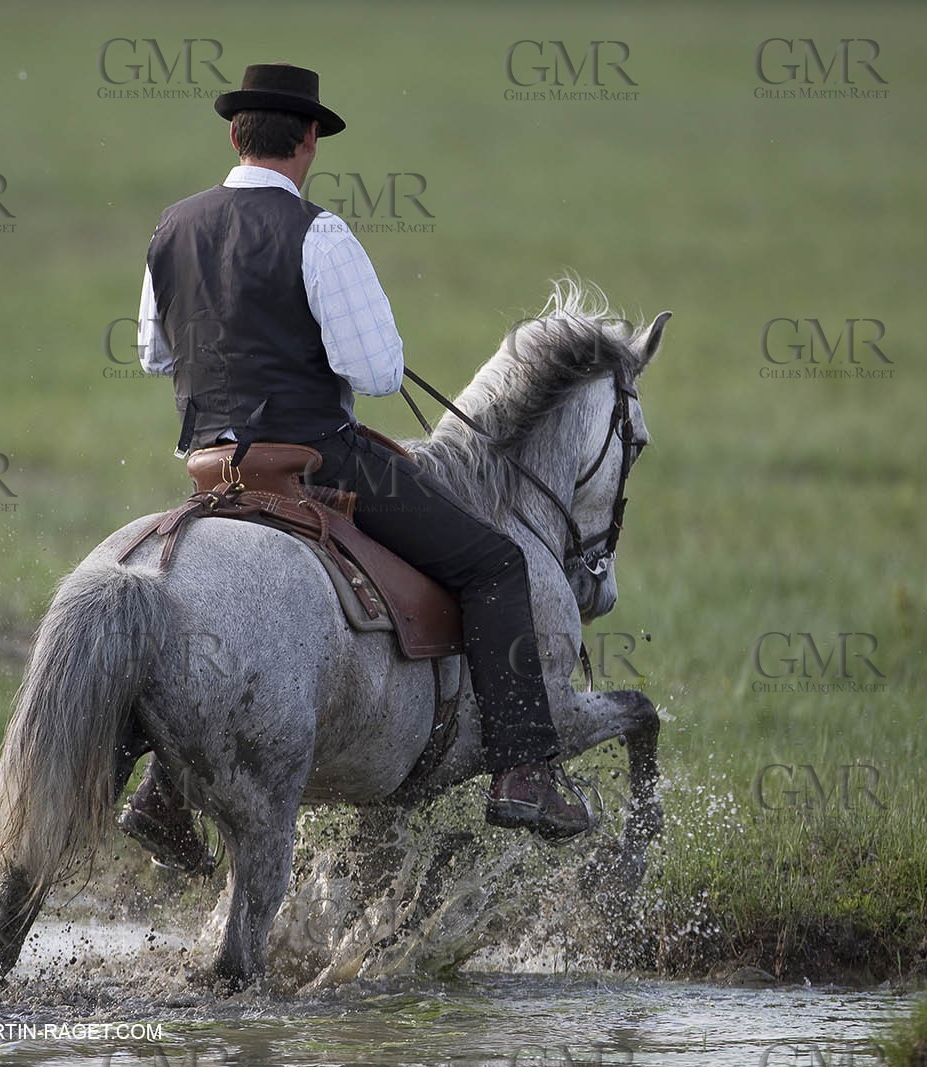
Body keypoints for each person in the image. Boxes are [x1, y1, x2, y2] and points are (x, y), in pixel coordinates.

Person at [120, 63, 591, 872]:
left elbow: (151, 353)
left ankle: (163, 792)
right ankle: (523, 769)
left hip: (214, 473)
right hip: (315, 461)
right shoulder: (319, 233)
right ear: (307, 143)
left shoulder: (173, 228)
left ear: (234, 136)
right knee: (494, 563)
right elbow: (375, 371)